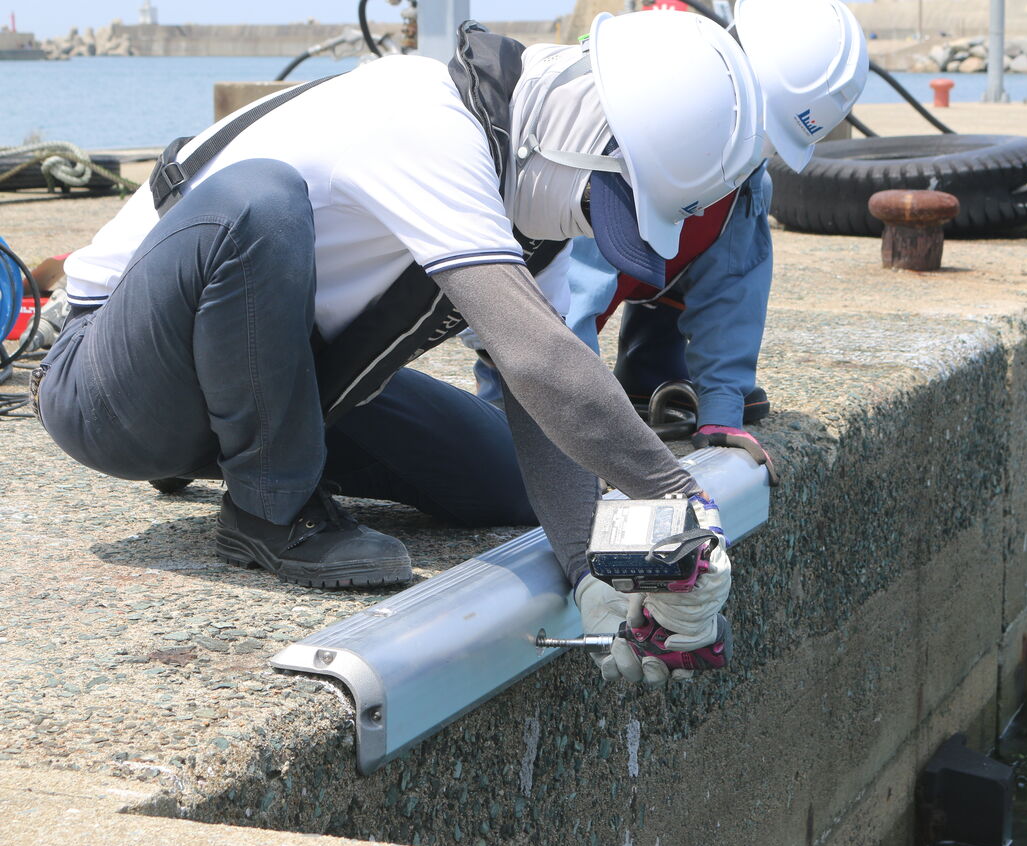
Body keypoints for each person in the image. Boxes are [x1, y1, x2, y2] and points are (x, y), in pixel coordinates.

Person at [31, 11, 764, 687]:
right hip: (106, 385)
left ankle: (241, 449)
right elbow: (538, 356)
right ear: (577, 133)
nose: (592, 229)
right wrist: (680, 500)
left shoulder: (523, 199)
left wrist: (591, 574)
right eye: (600, 207)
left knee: (506, 478)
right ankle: (269, 511)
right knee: (260, 200)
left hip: (256, 374)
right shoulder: (419, 117)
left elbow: (544, 396)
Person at [473, 0, 867, 470]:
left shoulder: (747, 183)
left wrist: (722, 407)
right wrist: (582, 437)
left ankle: (648, 371)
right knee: (522, 418)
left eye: (770, 141)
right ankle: (504, 404)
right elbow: (564, 299)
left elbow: (734, 286)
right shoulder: (629, 135)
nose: (754, 150)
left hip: (642, 274)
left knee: (705, 240)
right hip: (537, 303)